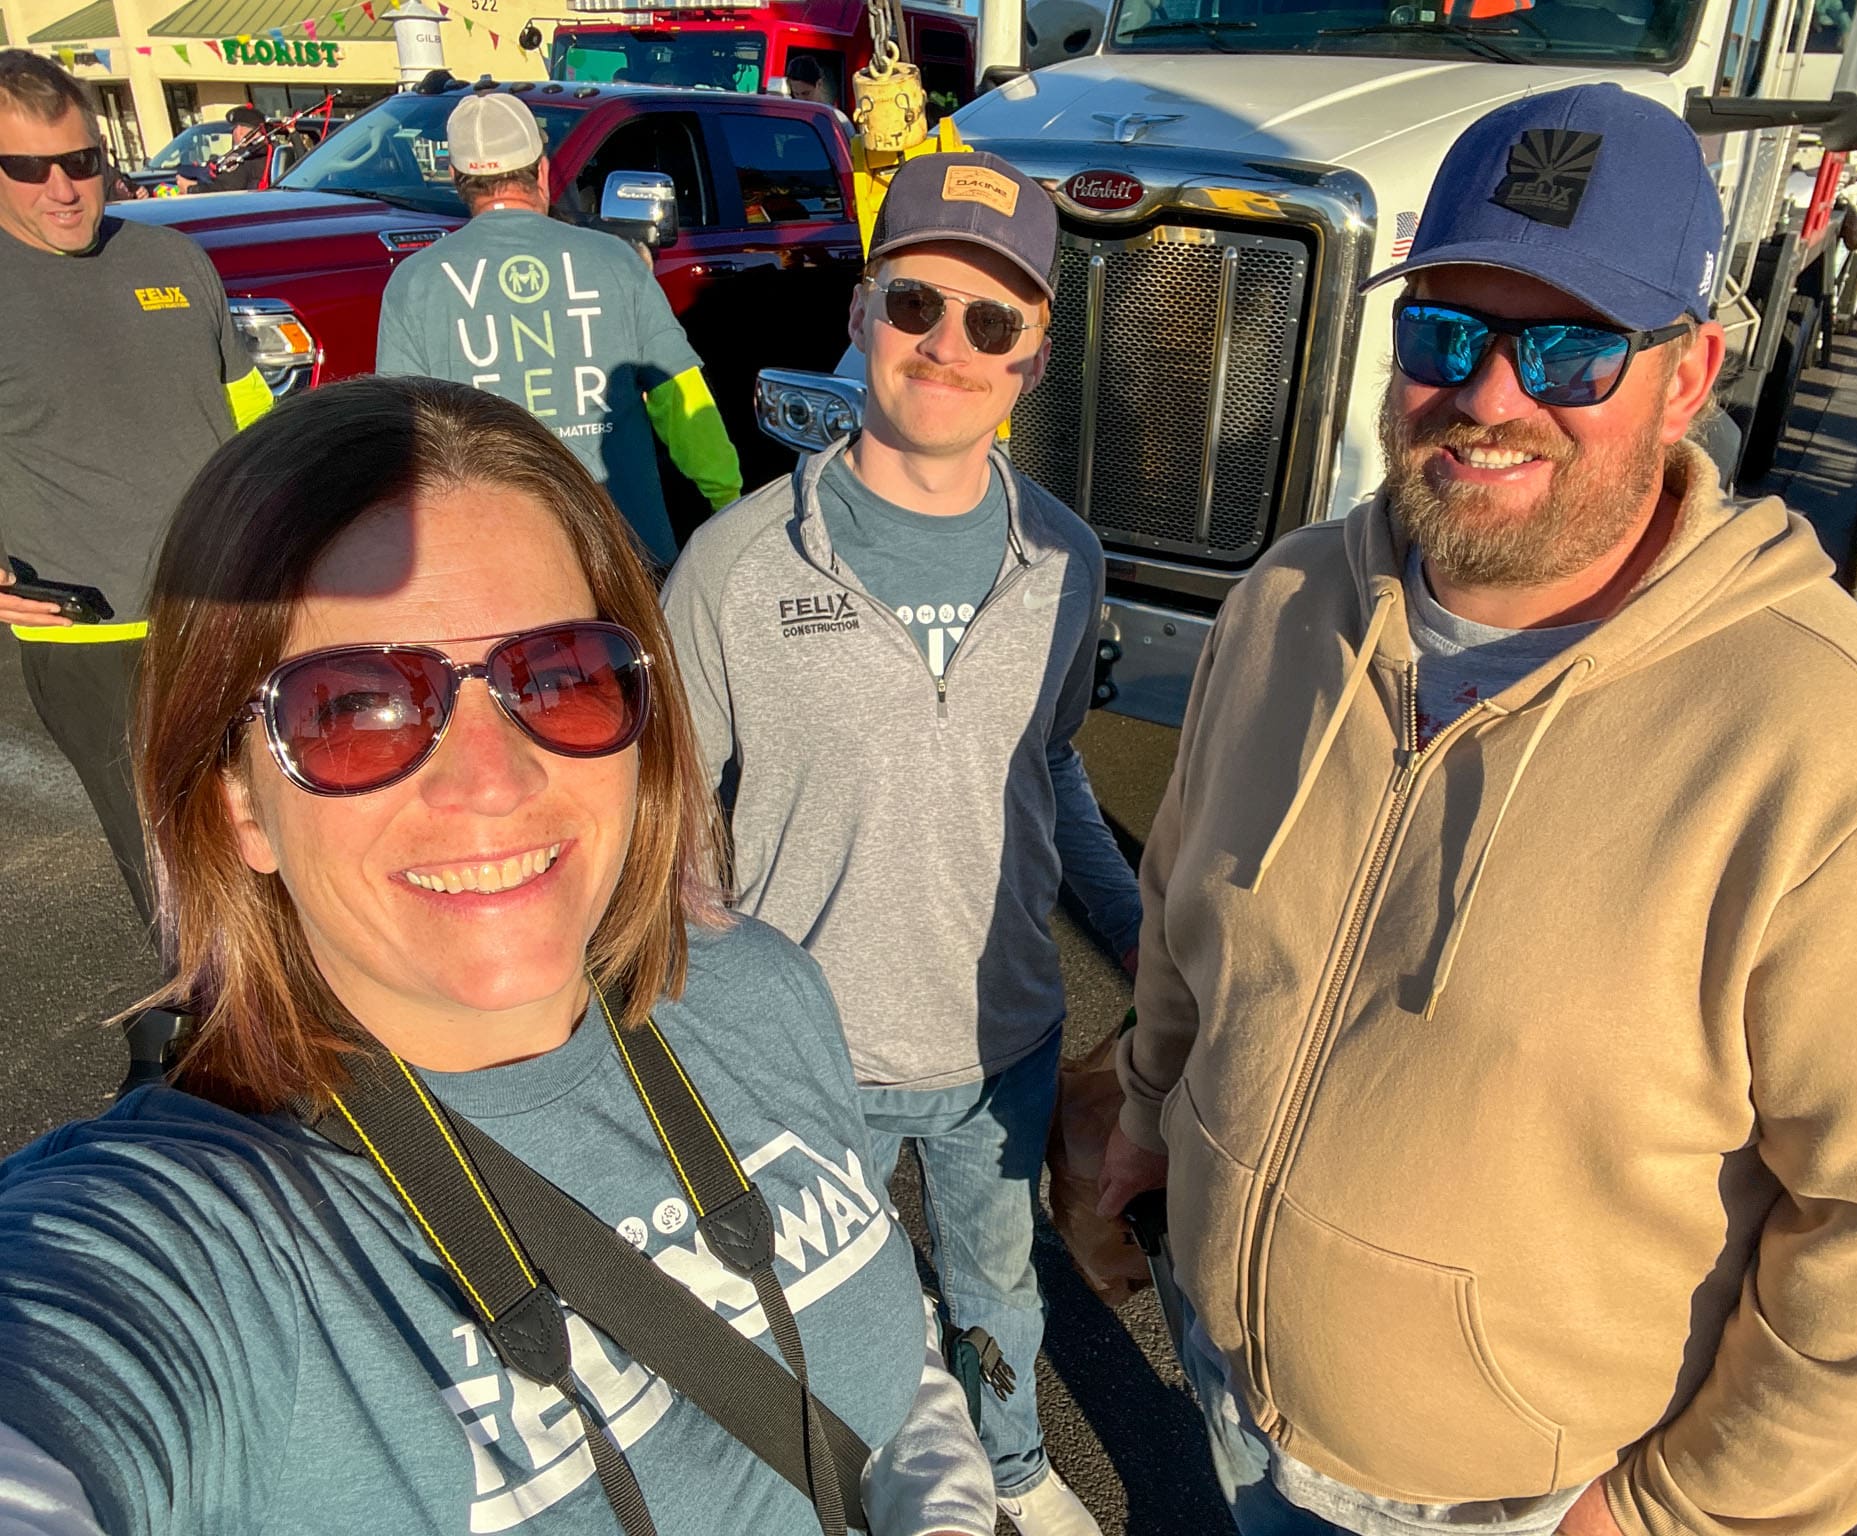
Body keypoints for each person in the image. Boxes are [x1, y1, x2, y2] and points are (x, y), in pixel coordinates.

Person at [1098, 83, 1857, 1536]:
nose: (1489, 396)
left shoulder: (1841, 765)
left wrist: (1672, 1516)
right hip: (1230, 1397)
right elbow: (1185, 906)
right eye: (1447, 331)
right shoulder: (1289, 603)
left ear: (1689, 374)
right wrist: (1154, 1112)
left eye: (1570, 349)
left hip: (1517, 1508)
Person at [0, 375, 997, 1536]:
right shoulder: (196, 1244)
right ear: (236, 805)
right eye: (356, 706)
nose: (496, 781)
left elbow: (881, 1335)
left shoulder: (760, 992)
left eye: (560, 677)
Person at [663, 151, 1141, 1536]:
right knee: (828, 1308)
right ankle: (859, 1471)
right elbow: (675, 816)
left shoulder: (1069, 558)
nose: (949, 347)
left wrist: (1141, 936)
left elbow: (1050, 767)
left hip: (1005, 1038)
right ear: (864, 310)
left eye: (995, 325)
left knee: (999, 1286)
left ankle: (1010, 1465)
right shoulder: (740, 565)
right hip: (813, 1056)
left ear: (1035, 358)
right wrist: (709, 1017)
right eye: (917, 304)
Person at [0, 48, 272, 931]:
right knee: (170, 857)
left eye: (80, 161)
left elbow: (253, 418)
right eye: (26, 167)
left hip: (232, 609)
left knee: (281, 823)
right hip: (98, 638)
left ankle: (319, 1003)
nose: (63, 188)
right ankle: (216, 1039)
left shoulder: (175, 258)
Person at [376, 90, 742, 572]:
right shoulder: (614, 260)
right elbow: (681, 396)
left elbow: (403, 440)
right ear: (542, 171)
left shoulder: (415, 281)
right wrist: (727, 502)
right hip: (626, 555)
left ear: (455, 179)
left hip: (497, 564)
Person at [178, 102, 266, 193]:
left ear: (240, 131)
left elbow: (225, 189)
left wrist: (190, 188)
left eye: (233, 130)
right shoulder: (269, 152)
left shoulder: (243, 156)